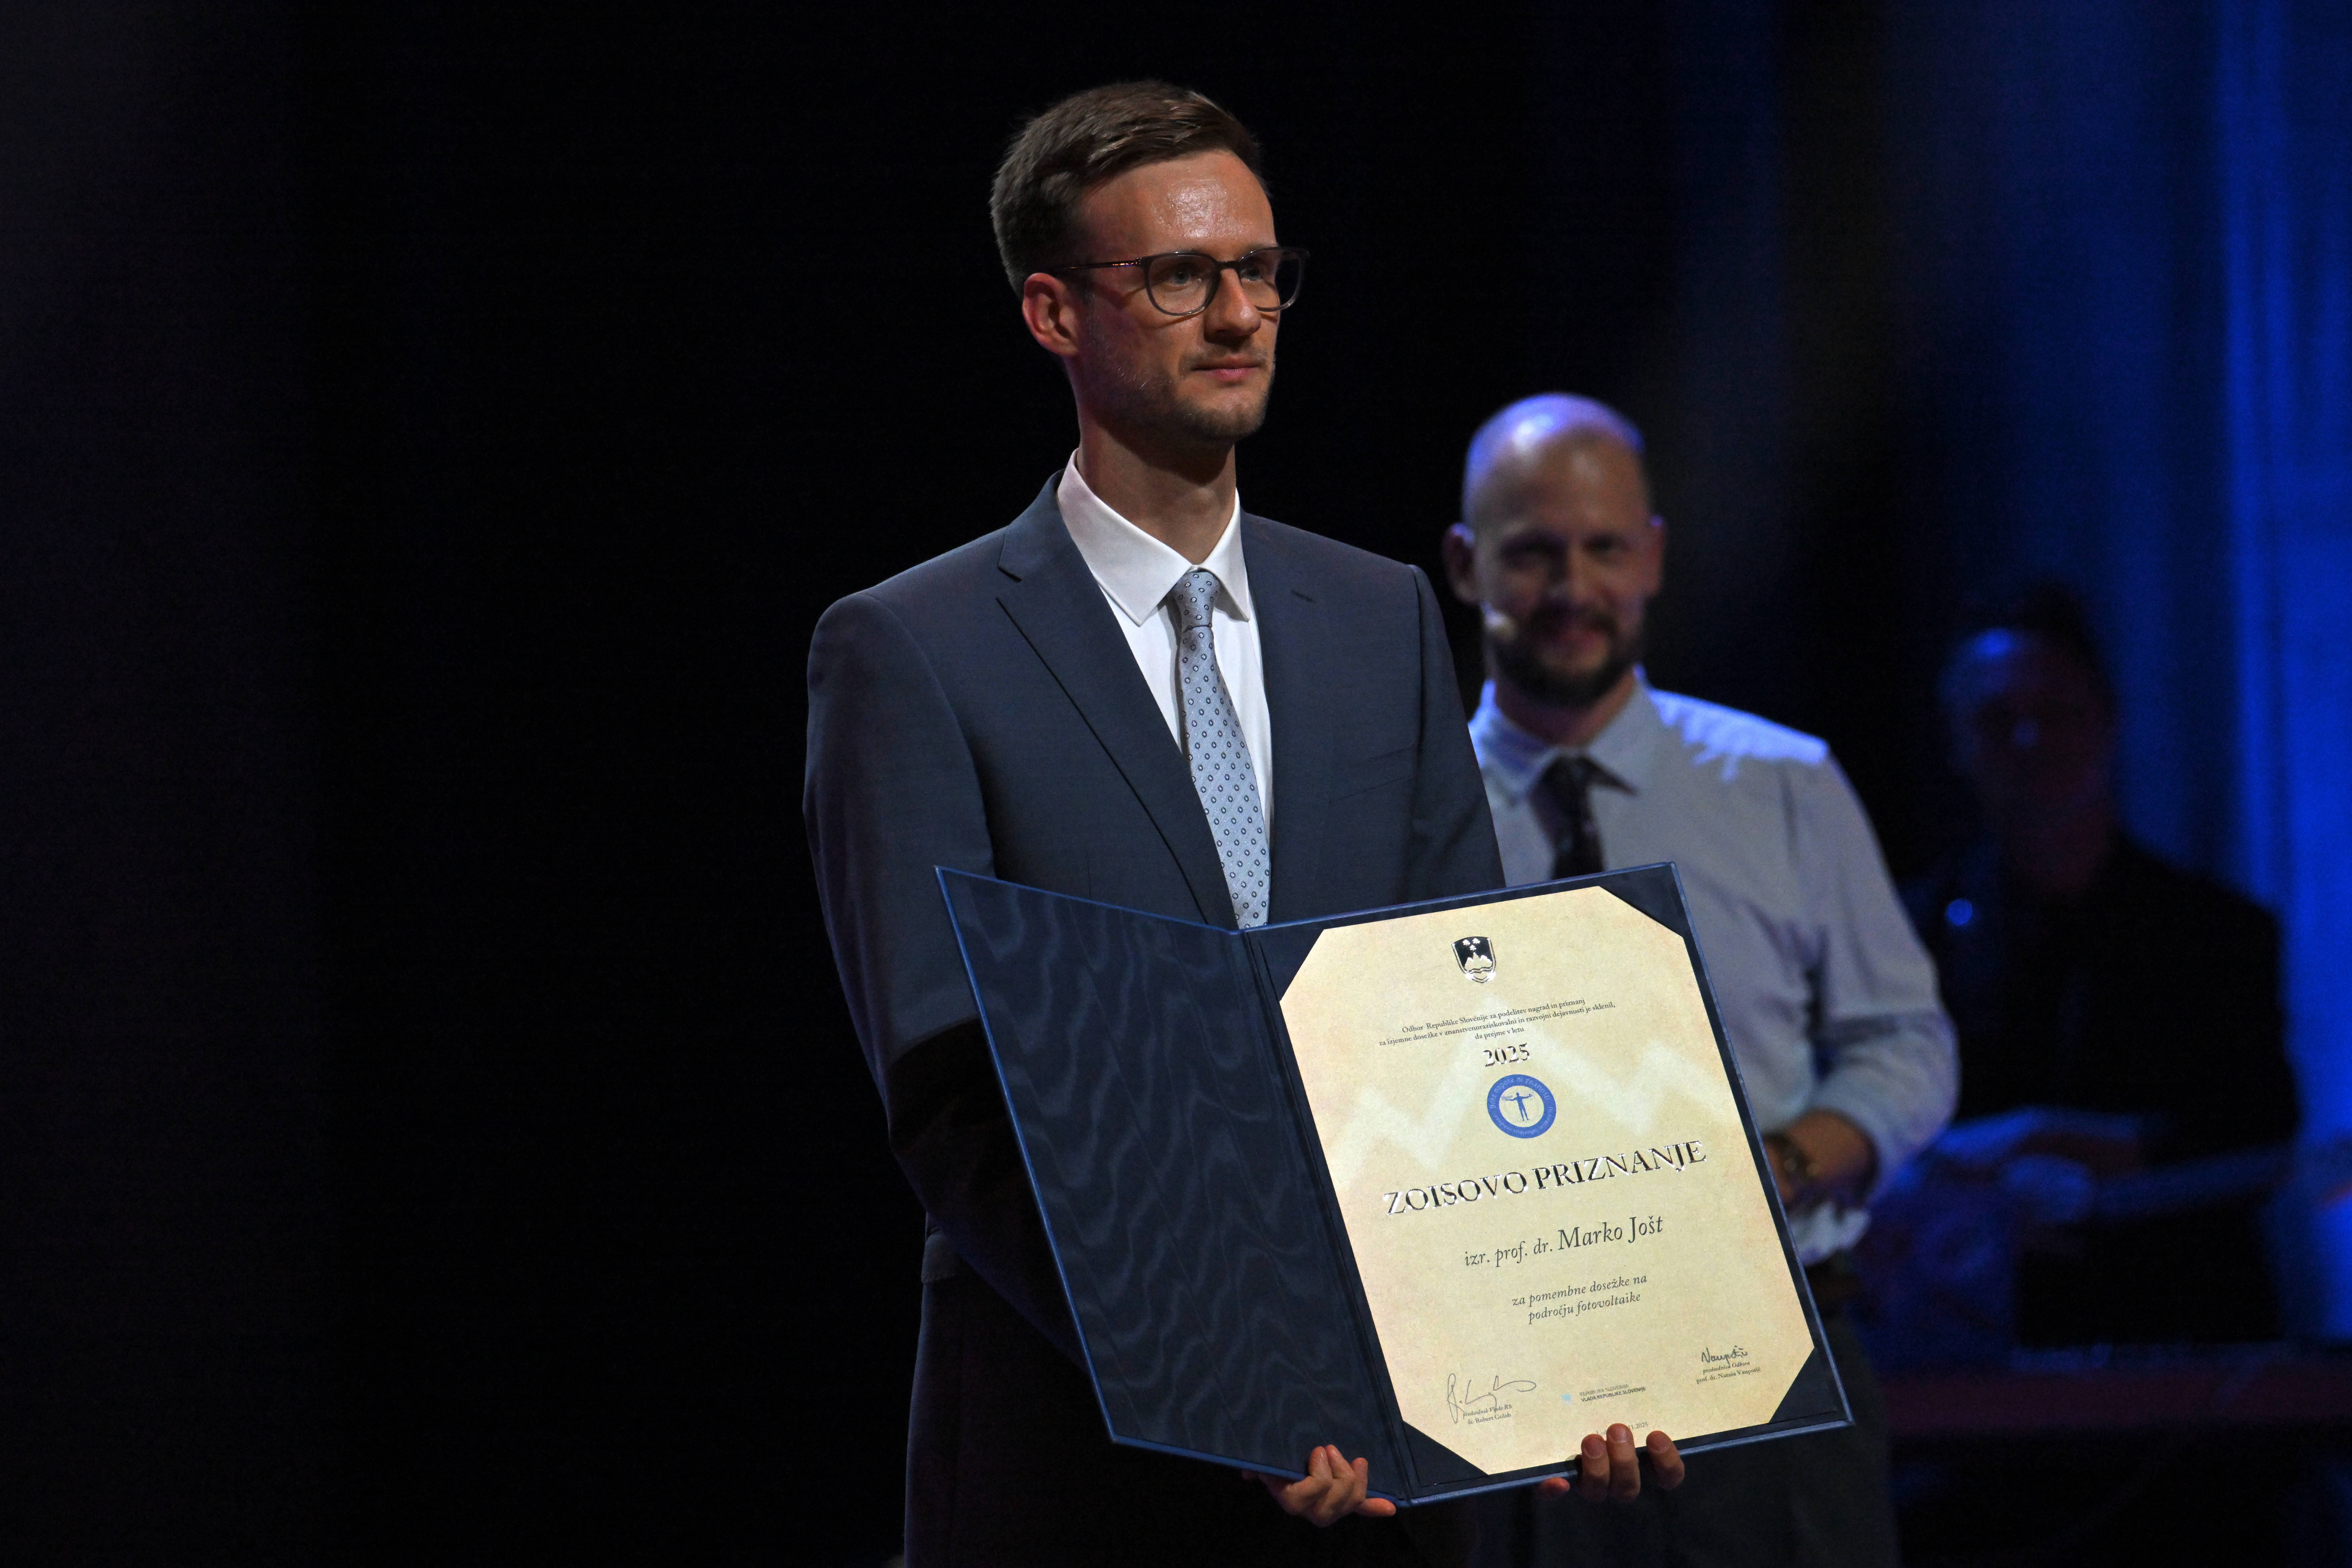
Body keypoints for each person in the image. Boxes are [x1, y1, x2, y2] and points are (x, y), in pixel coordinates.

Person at [805, 89, 1679, 1567]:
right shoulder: (915, 648)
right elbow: (957, 1099)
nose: (1236, 315)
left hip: (1390, 1473)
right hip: (1077, 1465)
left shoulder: (1380, 613)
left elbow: (1472, 1016)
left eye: (1260, 271)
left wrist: (1566, 1357)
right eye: (1177, 276)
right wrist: (1238, 1386)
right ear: (1053, 312)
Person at [1440, 394, 1956, 1568]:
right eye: (1534, 552)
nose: (1573, 586)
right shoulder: (1410, 809)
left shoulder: (1785, 784)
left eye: (1604, 547)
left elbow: (1907, 1042)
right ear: (1466, 565)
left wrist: (1777, 1167)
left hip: (1776, 1349)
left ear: (1654, 557)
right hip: (1514, 1381)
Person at [1895, 588, 2298, 1346]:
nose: (2030, 741)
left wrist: (2039, 1138)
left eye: (2057, 713)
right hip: (1979, 1341)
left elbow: (2258, 1136)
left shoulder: (2213, 932)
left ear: (2108, 722)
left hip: (2184, 1334)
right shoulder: (1902, 939)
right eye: (1997, 720)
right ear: (1957, 741)